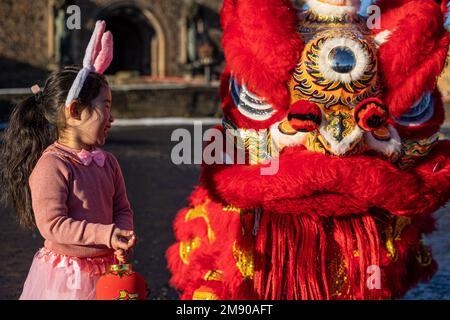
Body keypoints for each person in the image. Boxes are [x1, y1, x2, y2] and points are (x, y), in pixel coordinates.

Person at [0, 21, 136, 300]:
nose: (112, 118)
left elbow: (122, 206)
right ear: (75, 110)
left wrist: (122, 234)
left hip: (107, 268)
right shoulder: (52, 165)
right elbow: (54, 224)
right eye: (106, 108)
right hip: (68, 277)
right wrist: (105, 234)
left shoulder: (108, 162)